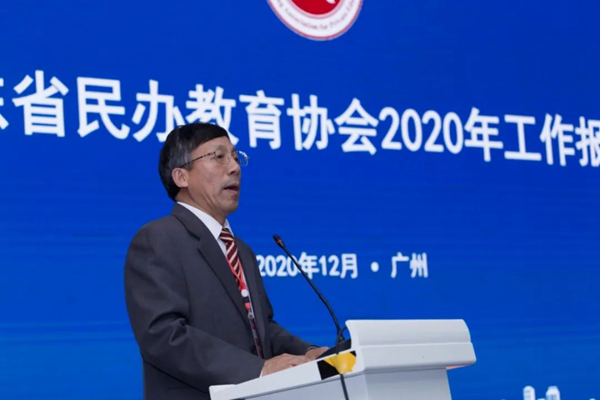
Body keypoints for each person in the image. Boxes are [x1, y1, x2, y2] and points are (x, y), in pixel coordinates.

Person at [124, 122, 327, 400]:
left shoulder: (241, 249)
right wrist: (258, 369)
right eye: (219, 156)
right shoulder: (158, 239)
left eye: (235, 157)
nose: (234, 168)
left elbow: (261, 329)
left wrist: (309, 353)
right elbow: (163, 336)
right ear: (181, 176)